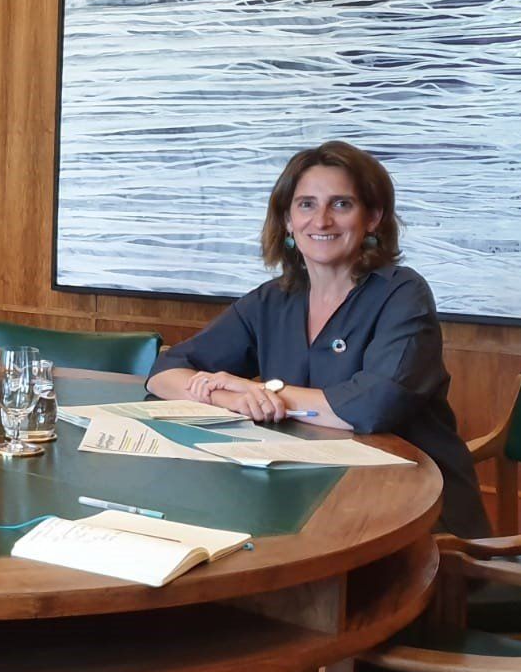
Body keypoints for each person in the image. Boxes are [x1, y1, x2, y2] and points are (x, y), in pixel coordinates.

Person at [145, 141, 488, 538]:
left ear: (373, 217)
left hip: (418, 514)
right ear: (287, 220)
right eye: (306, 204)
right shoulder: (273, 299)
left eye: (341, 204)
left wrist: (266, 392)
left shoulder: (402, 293)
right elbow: (165, 371)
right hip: (309, 494)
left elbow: (373, 406)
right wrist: (235, 398)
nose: (321, 220)